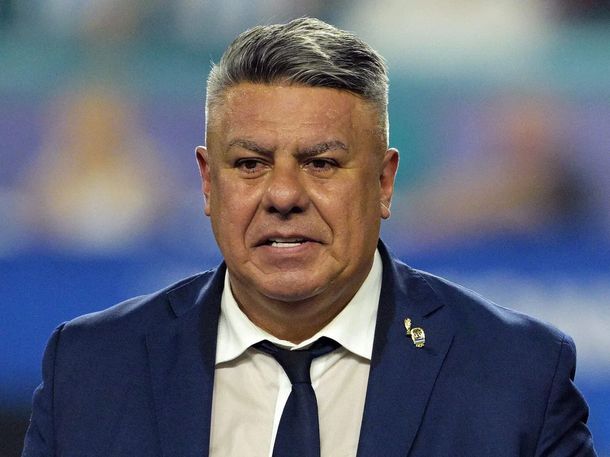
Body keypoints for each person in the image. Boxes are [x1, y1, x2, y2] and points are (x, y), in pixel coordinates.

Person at [22, 18, 596, 457]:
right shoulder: (91, 368)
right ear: (208, 182)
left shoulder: (517, 373)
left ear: (384, 182)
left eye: (321, 164)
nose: (283, 195)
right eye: (250, 164)